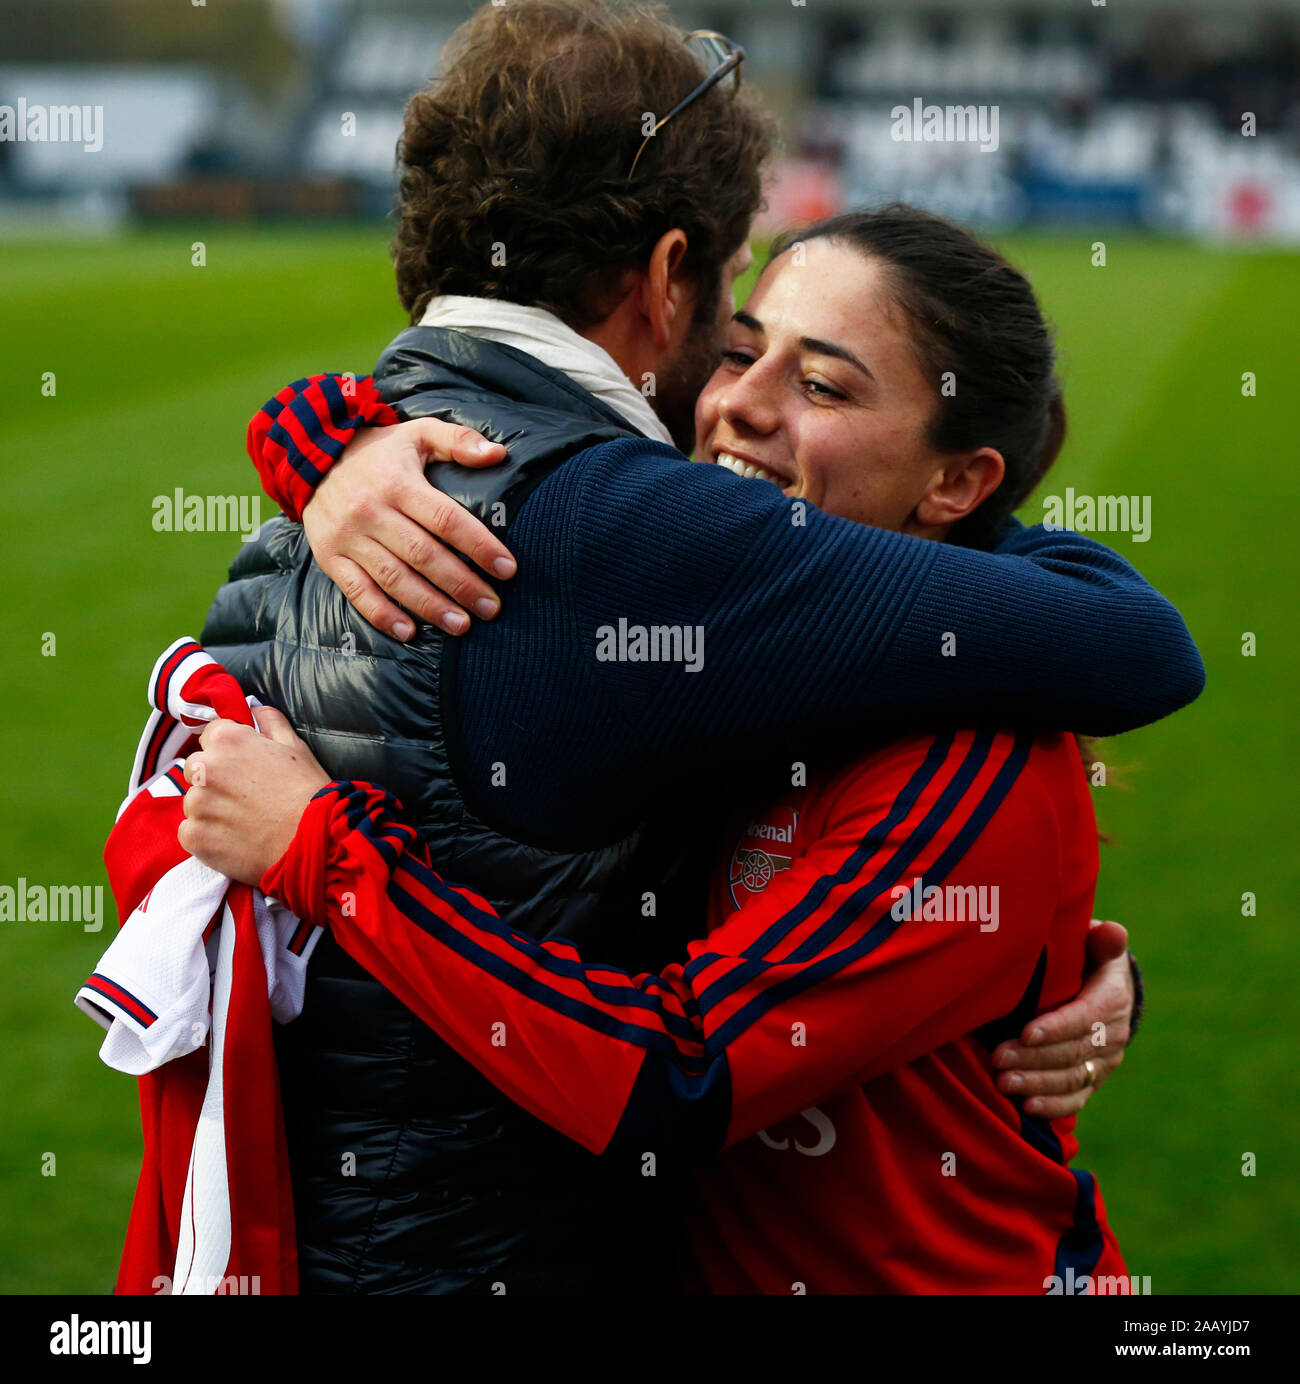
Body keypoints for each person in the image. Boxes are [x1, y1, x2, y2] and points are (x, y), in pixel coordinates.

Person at [188, 0, 1199, 1293]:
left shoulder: (754, 611)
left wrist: (323, 436)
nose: (736, 405)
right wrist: (328, 436)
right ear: (672, 284)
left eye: (824, 384)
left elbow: (685, 1061)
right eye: (738, 345)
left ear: (960, 480)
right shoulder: (689, 580)